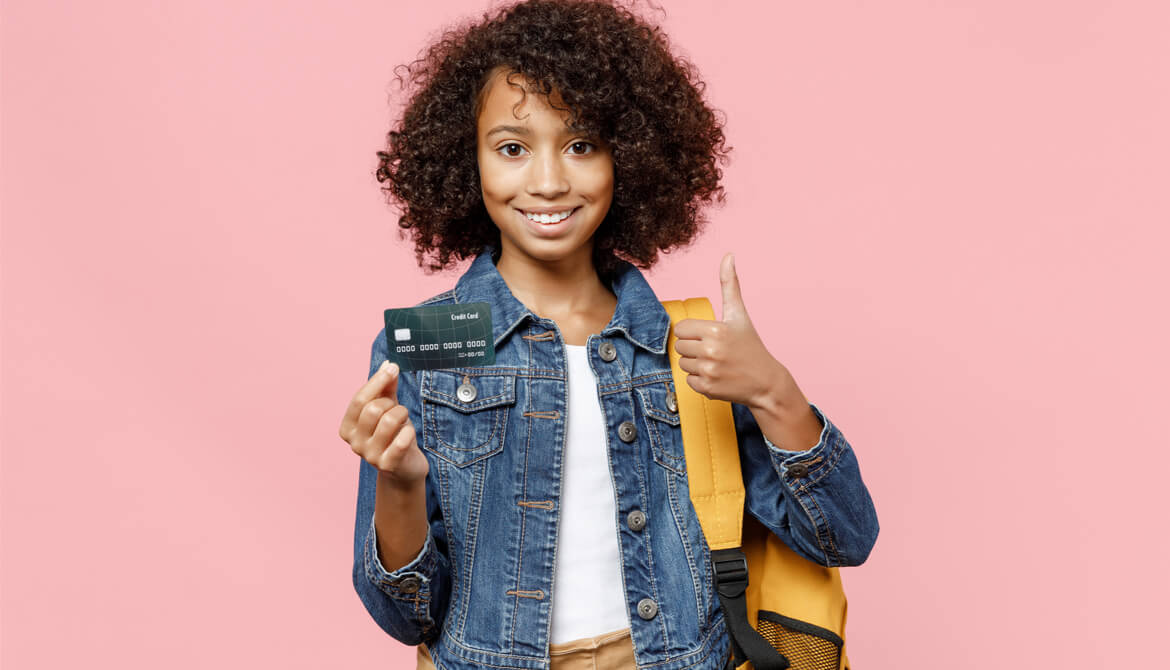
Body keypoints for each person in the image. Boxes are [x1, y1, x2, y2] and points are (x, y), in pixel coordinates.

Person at [339, 1, 879, 668]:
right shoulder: (419, 351)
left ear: (628, 156)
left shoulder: (684, 350)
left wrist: (774, 391)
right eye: (512, 147)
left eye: (581, 145)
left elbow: (844, 539)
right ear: (465, 157)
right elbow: (404, 615)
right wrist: (398, 485)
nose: (547, 181)